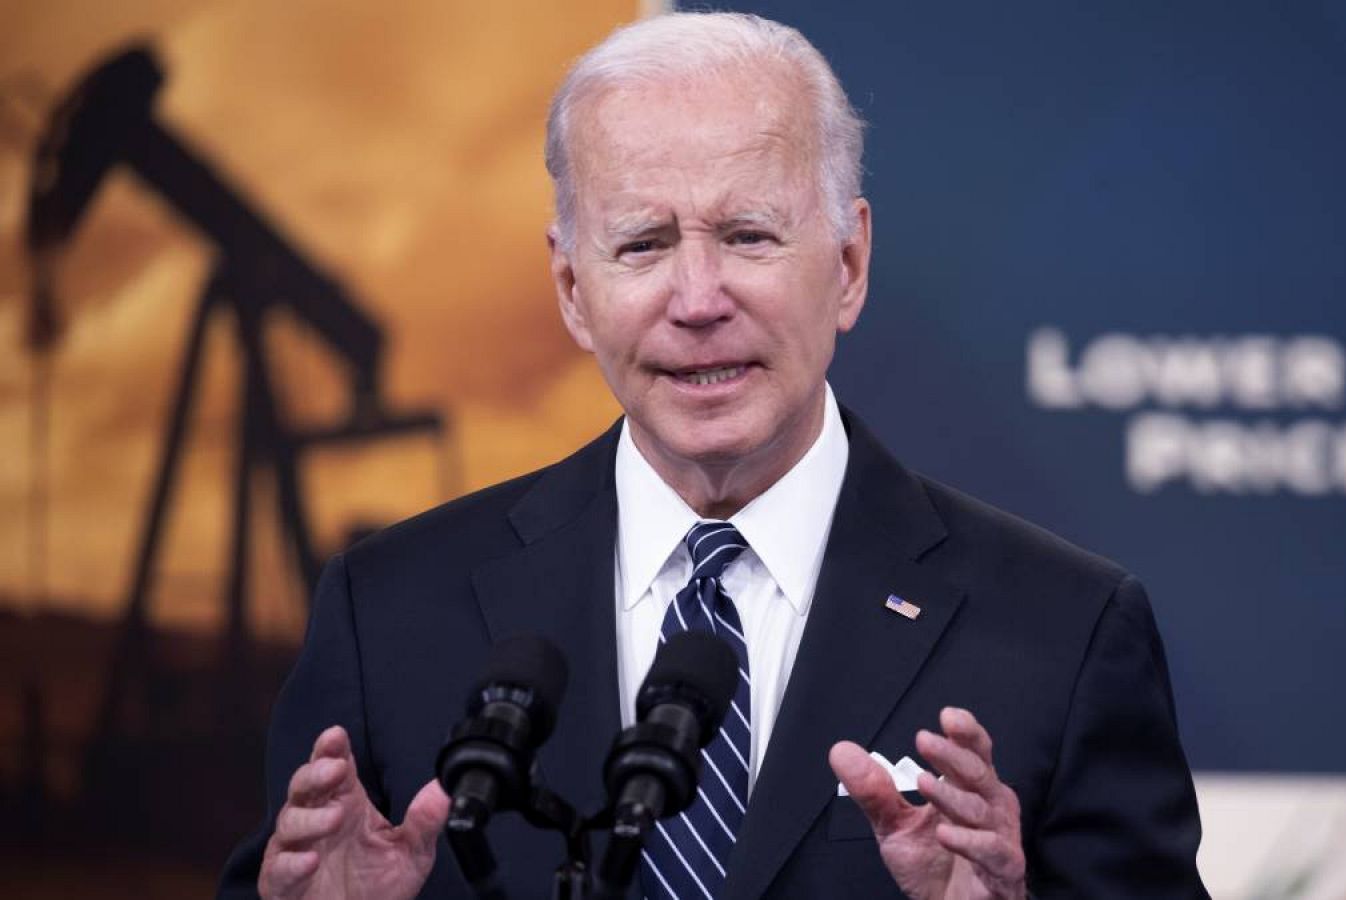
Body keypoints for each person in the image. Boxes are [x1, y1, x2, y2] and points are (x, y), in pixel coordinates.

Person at [220, 12, 1207, 900]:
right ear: (572, 288)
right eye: (643, 245)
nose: (698, 299)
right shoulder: (387, 612)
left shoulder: (1062, 633)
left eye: (747, 235)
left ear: (850, 265)